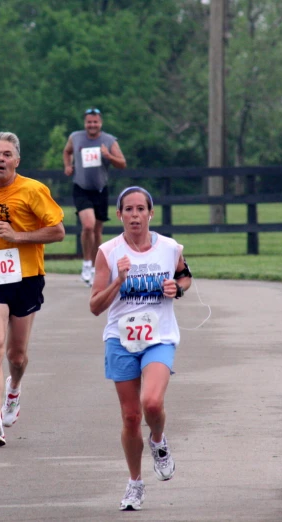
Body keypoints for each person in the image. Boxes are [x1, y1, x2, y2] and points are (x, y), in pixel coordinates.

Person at [89, 186, 192, 511]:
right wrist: (118, 281)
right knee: (131, 417)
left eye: (140, 209)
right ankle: (135, 483)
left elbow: (185, 277)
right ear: (119, 215)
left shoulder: (170, 248)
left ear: (150, 213)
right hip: (120, 340)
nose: (135, 215)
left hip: (159, 336)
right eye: (128, 210)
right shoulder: (108, 251)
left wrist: (177, 288)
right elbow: (94, 306)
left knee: (151, 402)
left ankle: (159, 441)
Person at [0, 131, 65, 447]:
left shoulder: (33, 191)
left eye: (7, 154)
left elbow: (58, 231)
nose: (1, 159)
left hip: (26, 278)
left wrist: (18, 237)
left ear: (17, 160)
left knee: (16, 356)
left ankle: (14, 390)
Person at [63, 107, 127, 286]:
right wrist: (68, 166)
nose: (92, 125)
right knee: (88, 225)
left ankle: (94, 267)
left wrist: (109, 156)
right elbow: (67, 151)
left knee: (97, 231)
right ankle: (86, 264)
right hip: (81, 188)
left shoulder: (108, 140)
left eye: (95, 122)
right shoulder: (75, 137)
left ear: (100, 123)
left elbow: (122, 163)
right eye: (89, 122)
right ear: (85, 123)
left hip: (100, 189)